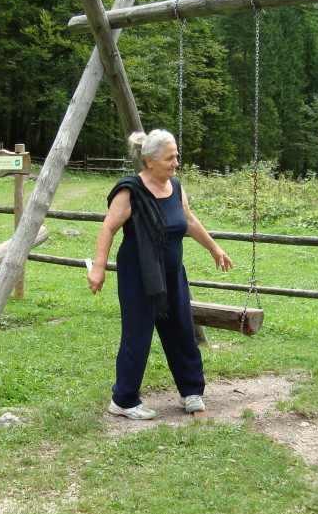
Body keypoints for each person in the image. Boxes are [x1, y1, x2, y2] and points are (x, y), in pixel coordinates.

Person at [87, 129, 233, 420]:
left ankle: (191, 391)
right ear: (149, 161)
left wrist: (215, 250)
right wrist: (99, 268)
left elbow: (189, 222)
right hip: (138, 276)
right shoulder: (130, 190)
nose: (176, 162)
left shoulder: (176, 188)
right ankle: (124, 400)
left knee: (181, 331)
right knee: (137, 336)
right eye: (170, 158)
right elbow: (108, 228)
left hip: (172, 275)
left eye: (176, 156)